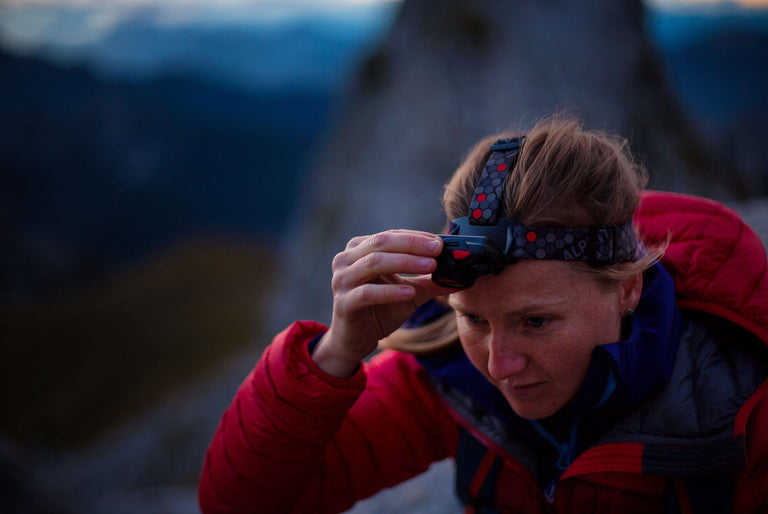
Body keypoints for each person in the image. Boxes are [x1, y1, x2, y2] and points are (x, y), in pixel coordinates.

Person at [198, 116, 768, 513]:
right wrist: (335, 357)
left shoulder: (744, 410)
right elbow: (242, 503)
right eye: (473, 318)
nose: (499, 364)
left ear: (628, 289)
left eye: (535, 321)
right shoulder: (450, 377)